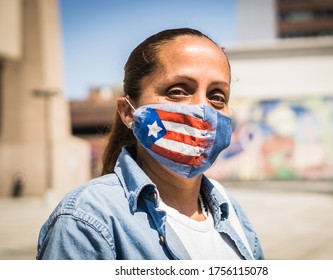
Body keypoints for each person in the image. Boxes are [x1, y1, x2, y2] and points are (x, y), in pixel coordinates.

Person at [36, 28, 264, 260]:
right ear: (128, 112)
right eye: (177, 91)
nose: (202, 110)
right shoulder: (86, 219)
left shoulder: (229, 207)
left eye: (217, 95)